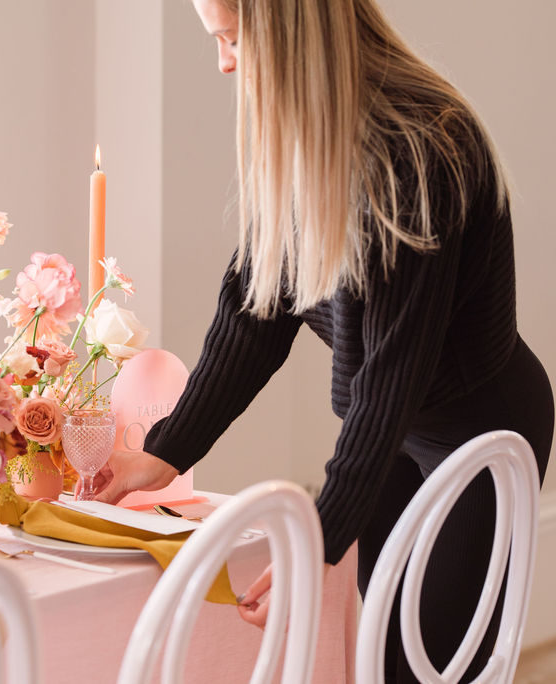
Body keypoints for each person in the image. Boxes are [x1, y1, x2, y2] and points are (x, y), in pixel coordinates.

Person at [92, 0, 554, 680]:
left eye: (231, 39)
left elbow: (391, 372)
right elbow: (255, 314)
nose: (223, 63)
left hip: (479, 436)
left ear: (289, 28)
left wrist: (320, 538)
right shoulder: (308, 135)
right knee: (379, 650)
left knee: (427, 666)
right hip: (393, 427)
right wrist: (166, 450)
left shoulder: (420, 150)